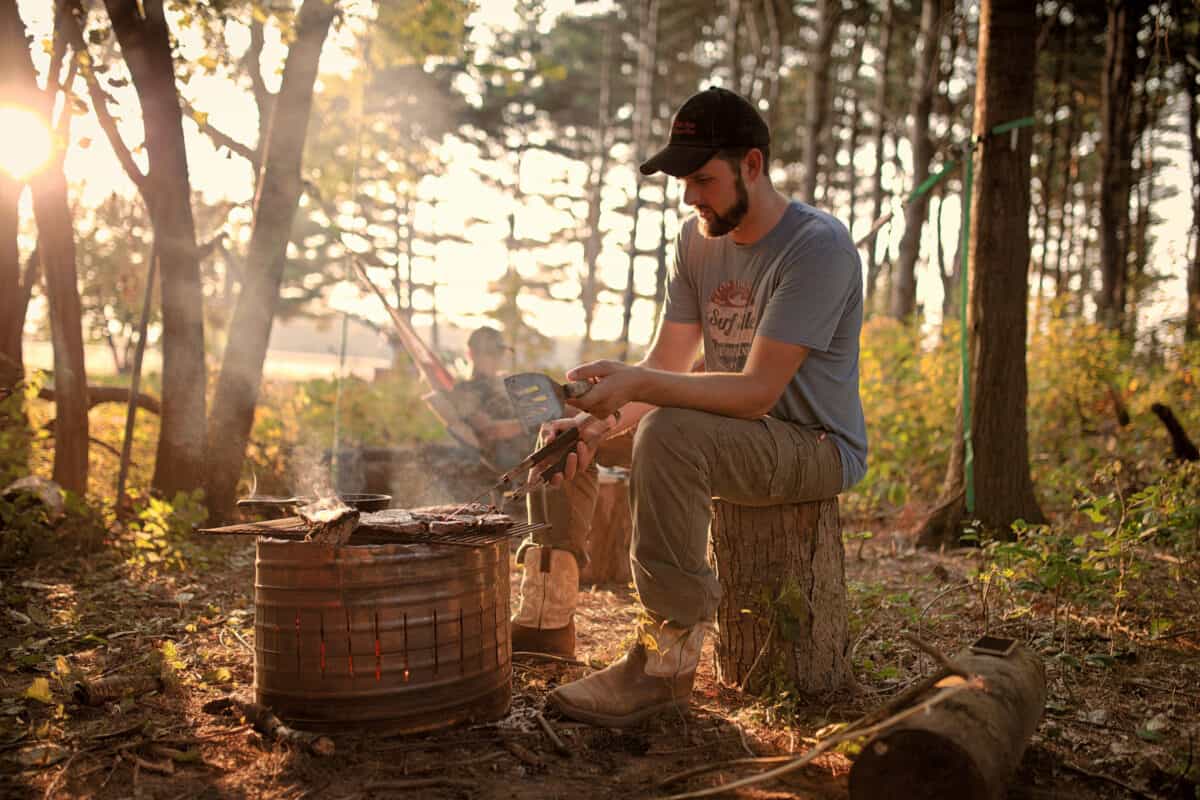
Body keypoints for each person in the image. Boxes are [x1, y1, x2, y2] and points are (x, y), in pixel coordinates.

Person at [509, 86, 868, 728]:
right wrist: (595, 422)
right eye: (682, 180)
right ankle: (547, 617)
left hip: (810, 443)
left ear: (752, 166)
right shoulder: (696, 240)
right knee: (564, 430)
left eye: (703, 179)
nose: (690, 196)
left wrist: (636, 386)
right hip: (727, 426)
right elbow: (669, 365)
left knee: (671, 433)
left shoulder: (817, 248)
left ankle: (665, 664)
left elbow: (757, 392)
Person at [452, 326, 535, 478]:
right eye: (490, 353)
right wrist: (531, 422)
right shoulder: (465, 390)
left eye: (500, 352)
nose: (497, 358)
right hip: (508, 457)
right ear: (472, 354)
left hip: (531, 446)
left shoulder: (504, 383)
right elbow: (490, 430)